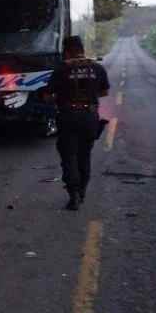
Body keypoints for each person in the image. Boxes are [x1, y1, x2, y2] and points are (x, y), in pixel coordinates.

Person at [42, 36, 109, 210]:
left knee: (68, 156)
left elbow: (48, 96)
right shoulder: (97, 67)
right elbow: (104, 92)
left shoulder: (61, 69)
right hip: (89, 117)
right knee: (84, 156)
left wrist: (59, 97)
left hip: (68, 116)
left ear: (67, 51)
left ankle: (74, 196)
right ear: (82, 49)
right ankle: (82, 192)